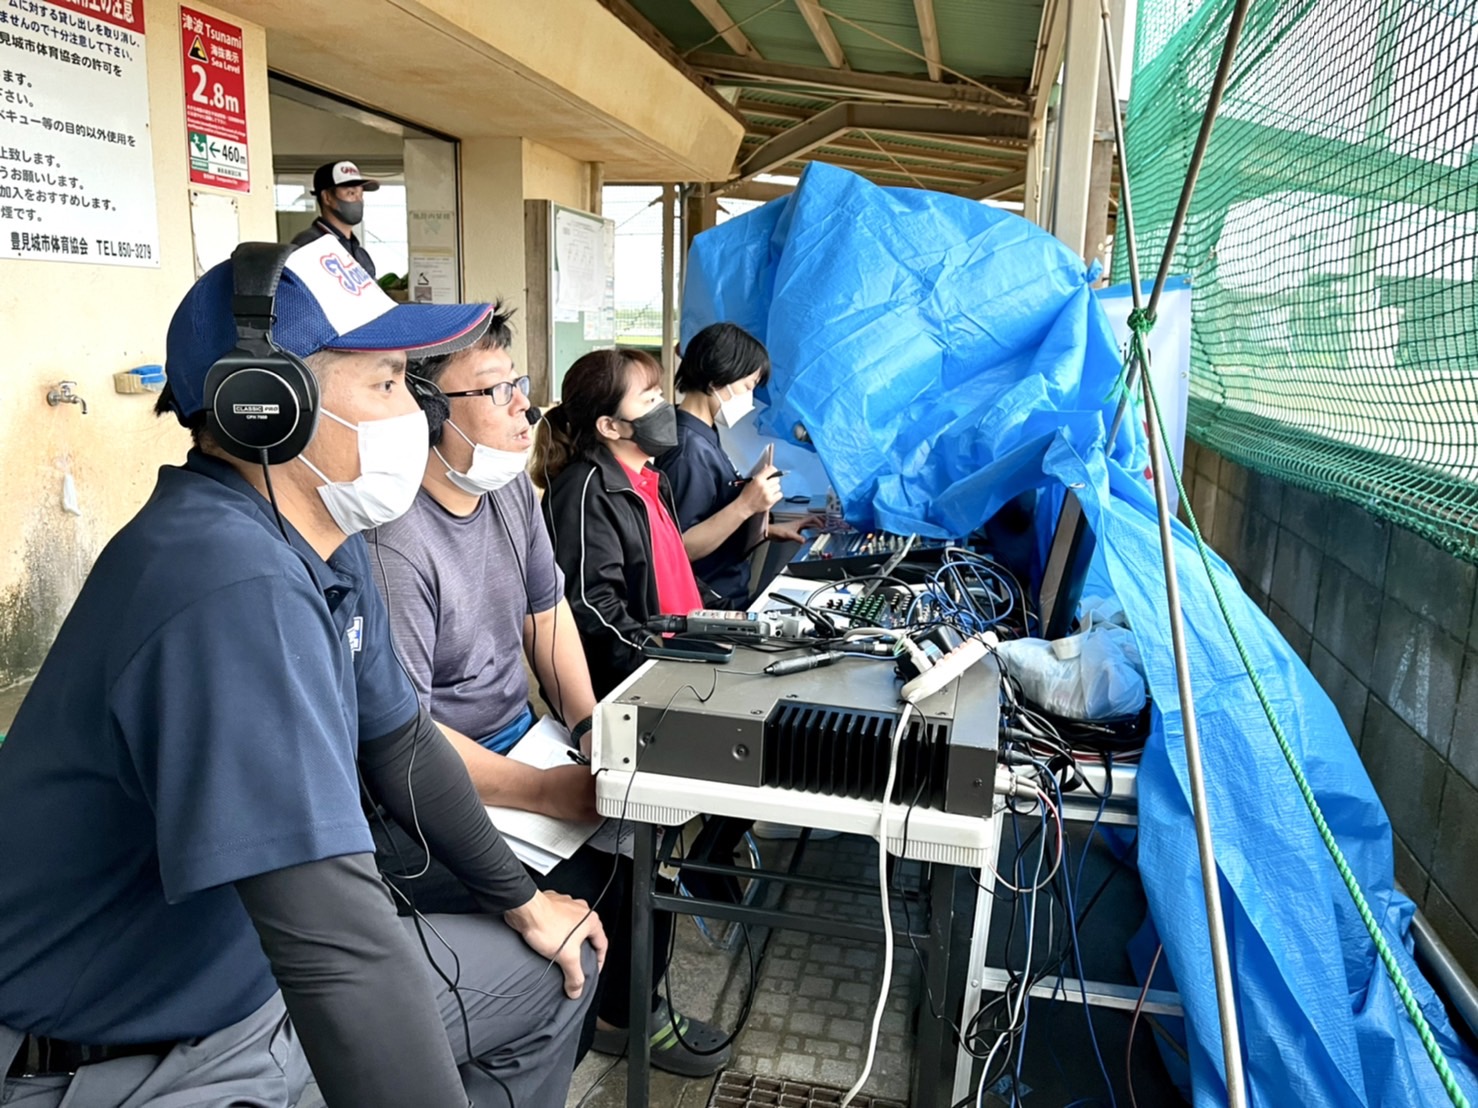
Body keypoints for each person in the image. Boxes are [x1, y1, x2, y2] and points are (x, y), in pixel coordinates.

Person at [0, 240, 605, 1108]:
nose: (418, 413)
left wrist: (524, 901)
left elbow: (401, 745)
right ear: (265, 408)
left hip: (247, 986)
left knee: (556, 965)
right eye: (388, 384)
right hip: (134, 1051)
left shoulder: (319, 539)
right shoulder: (224, 584)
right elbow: (337, 948)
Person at [366, 314, 731, 1076]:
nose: (522, 407)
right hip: (432, 788)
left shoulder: (508, 493)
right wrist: (544, 791)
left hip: (522, 739)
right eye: (494, 391)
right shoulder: (392, 544)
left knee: (642, 832)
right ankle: (564, 1031)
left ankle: (629, 1013)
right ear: (429, 412)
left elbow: (548, 614)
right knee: (586, 893)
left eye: (519, 384)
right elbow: (407, 737)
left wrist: (589, 724)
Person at [533, 347, 703, 700]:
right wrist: (657, 656)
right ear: (609, 426)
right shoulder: (584, 490)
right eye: (648, 400)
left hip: (679, 666)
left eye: (660, 395)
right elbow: (592, 604)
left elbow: (672, 572)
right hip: (634, 684)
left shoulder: (651, 479)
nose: (663, 408)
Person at [658, 322, 810, 608]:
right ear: (717, 378)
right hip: (707, 604)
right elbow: (682, 547)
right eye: (746, 386)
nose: (748, 397)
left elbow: (711, 512)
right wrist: (746, 505)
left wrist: (766, 530)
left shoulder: (703, 433)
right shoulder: (687, 450)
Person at [290, 160, 379, 276]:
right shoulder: (308, 245)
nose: (359, 200)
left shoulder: (360, 254)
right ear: (327, 197)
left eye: (361, 194)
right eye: (351, 193)